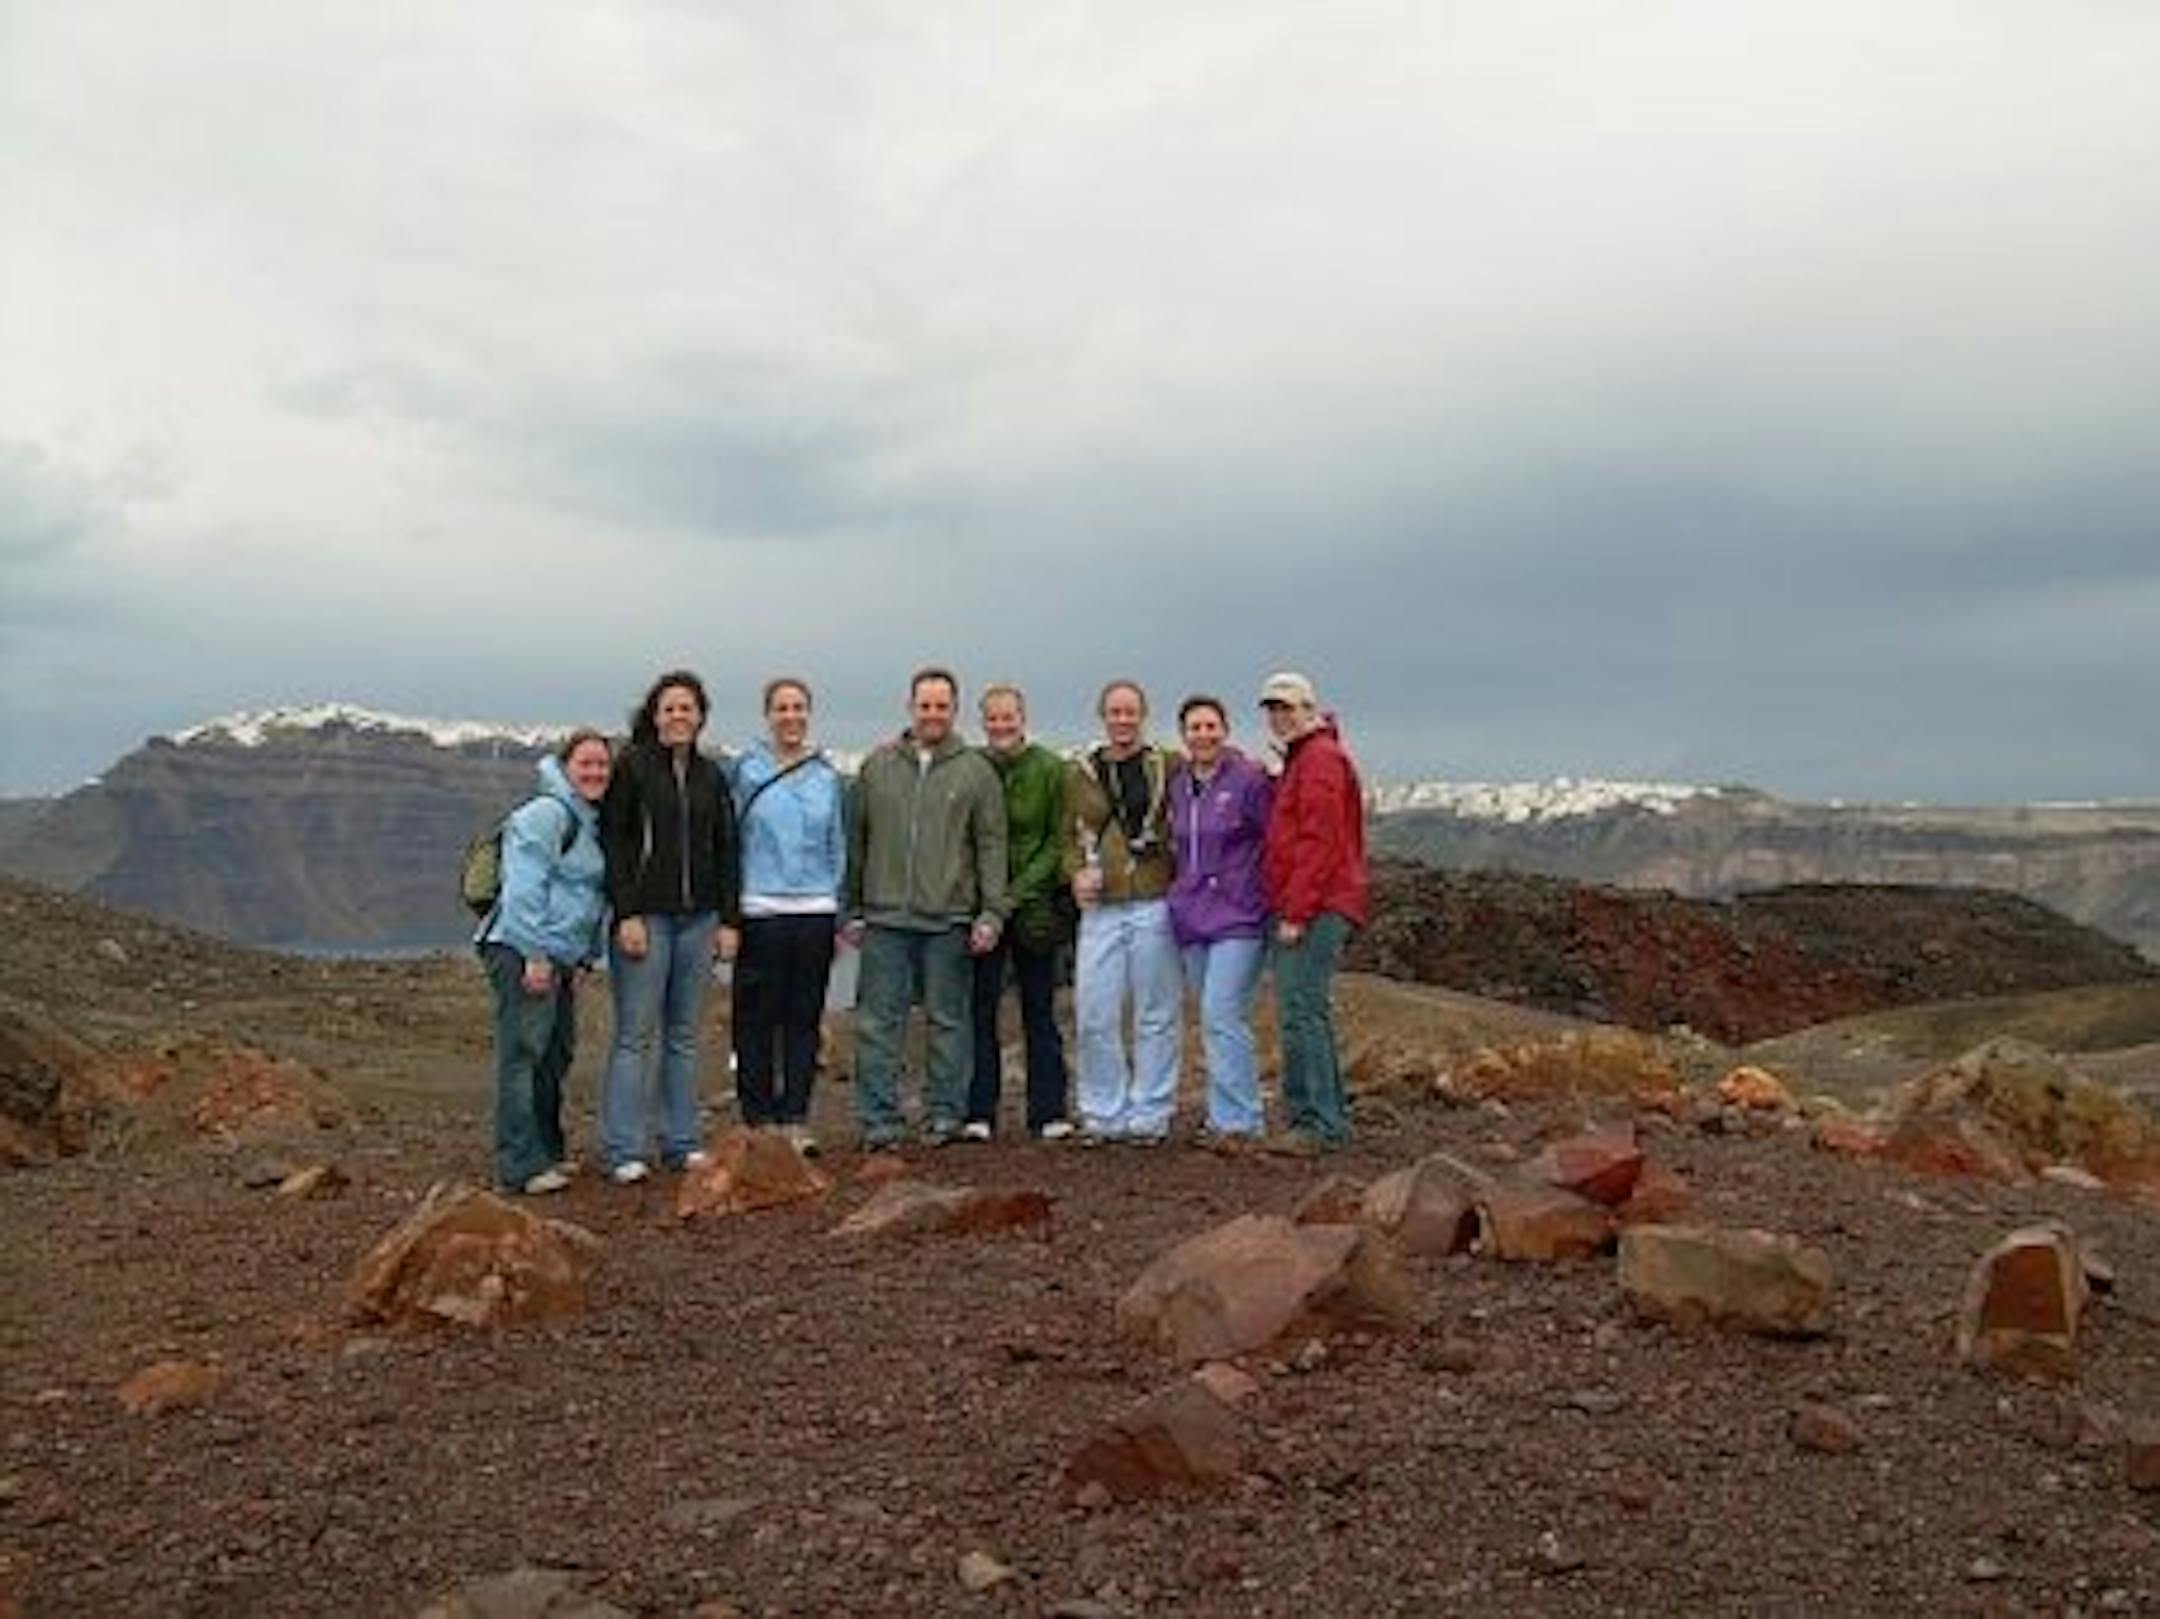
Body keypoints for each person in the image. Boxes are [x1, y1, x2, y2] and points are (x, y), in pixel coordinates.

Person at [847, 667, 1009, 1149]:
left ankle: (945, 1113)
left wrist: (991, 911)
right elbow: (857, 841)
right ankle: (879, 1119)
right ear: (910, 707)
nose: (932, 714)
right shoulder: (877, 767)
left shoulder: (976, 771)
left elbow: (991, 845)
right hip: (884, 916)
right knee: (878, 1024)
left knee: (948, 1022)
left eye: (942, 706)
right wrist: (850, 907)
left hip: (948, 918)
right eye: (925, 705)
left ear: (954, 711)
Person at [598, 670, 741, 1183]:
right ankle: (624, 1149)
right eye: (670, 708)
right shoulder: (633, 768)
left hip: (698, 919)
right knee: (634, 1035)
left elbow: (726, 849)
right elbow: (614, 842)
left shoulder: (712, 776)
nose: (679, 716)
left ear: (700, 717)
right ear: (655, 716)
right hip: (648, 919)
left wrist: (728, 919)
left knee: (682, 1035)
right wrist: (627, 911)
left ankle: (681, 1142)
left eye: (687, 708)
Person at [477, 729, 613, 1194]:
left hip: (562, 955)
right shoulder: (547, 814)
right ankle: (520, 1165)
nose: (595, 772)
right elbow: (524, 886)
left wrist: (583, 959)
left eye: (602, 765)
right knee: (523, 1053)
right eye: (585, 764)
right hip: (523, 949)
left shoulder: (590, 821)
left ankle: (547, 1152)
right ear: (565, 767)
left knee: (554, 1054)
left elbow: (587, 898)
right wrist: (533, 954)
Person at [727, 677, 846, 1156]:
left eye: (798, 707)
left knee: (803, 1018)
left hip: (815, 910)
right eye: (782, 708)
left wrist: (837, 906)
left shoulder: (826, 776)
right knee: (756, 1018)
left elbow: (836, 842)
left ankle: (795, 1117)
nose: (791, 716)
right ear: (768, 715)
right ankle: (757, 1118)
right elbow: (731, 841)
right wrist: (732, 909)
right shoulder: (746, 771)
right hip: (760, 908)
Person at [1062, 679, 1181, 1144]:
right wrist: (1076, 873)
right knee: (1094, 1012)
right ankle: (1103, 1111)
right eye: (1115, 712)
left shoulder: (1166, 764)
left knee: (1156, 1011)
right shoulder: (1080, 771)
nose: (1123, 720)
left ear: (1143, 715)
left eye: (1130, 712)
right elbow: (1068, 837)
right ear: (1103, 716)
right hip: (1101, 905)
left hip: (1153, 897)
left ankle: (1151, 1112)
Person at [1259, 670, 1370, 1154]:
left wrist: (1296, 912)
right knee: (1303, 1010)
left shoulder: (1319, 760)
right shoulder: (1305, 758)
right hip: (1313, 902)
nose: (1280, 717)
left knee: (1303, 1011)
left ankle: (1319, 1123)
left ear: (1309, 709)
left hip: (1316, 906)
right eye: (1273, 709)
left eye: (1288, 708)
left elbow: (1319, 842)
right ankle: (1316, 1116)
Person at [964, 683, 1074, 1142]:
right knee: (979, 1010)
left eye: (1008, 717)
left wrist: (1014, 896)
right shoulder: (972, 767)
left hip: (1035, 909)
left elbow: (1056, 841)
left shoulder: (1050, 768)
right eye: (992, 718)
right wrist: (987, 901)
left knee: (1039, 1010)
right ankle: (978, 1111)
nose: (1000, 726)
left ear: (1022, 718)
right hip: (981, 909)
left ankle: (1048, 1110)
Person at [1165, 695, 1276, 1147]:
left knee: (1222, 1012)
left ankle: (1242, 1120)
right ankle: (1223, 1113)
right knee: (1212, 1018)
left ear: (1225, 730)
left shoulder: (1249, 780)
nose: (1203, 735)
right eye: (1195, 727)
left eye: (1211, 726)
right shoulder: (1178, 785)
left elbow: (1275, 839)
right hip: (1192, 918)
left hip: (1239, 915)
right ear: (1183, 734)